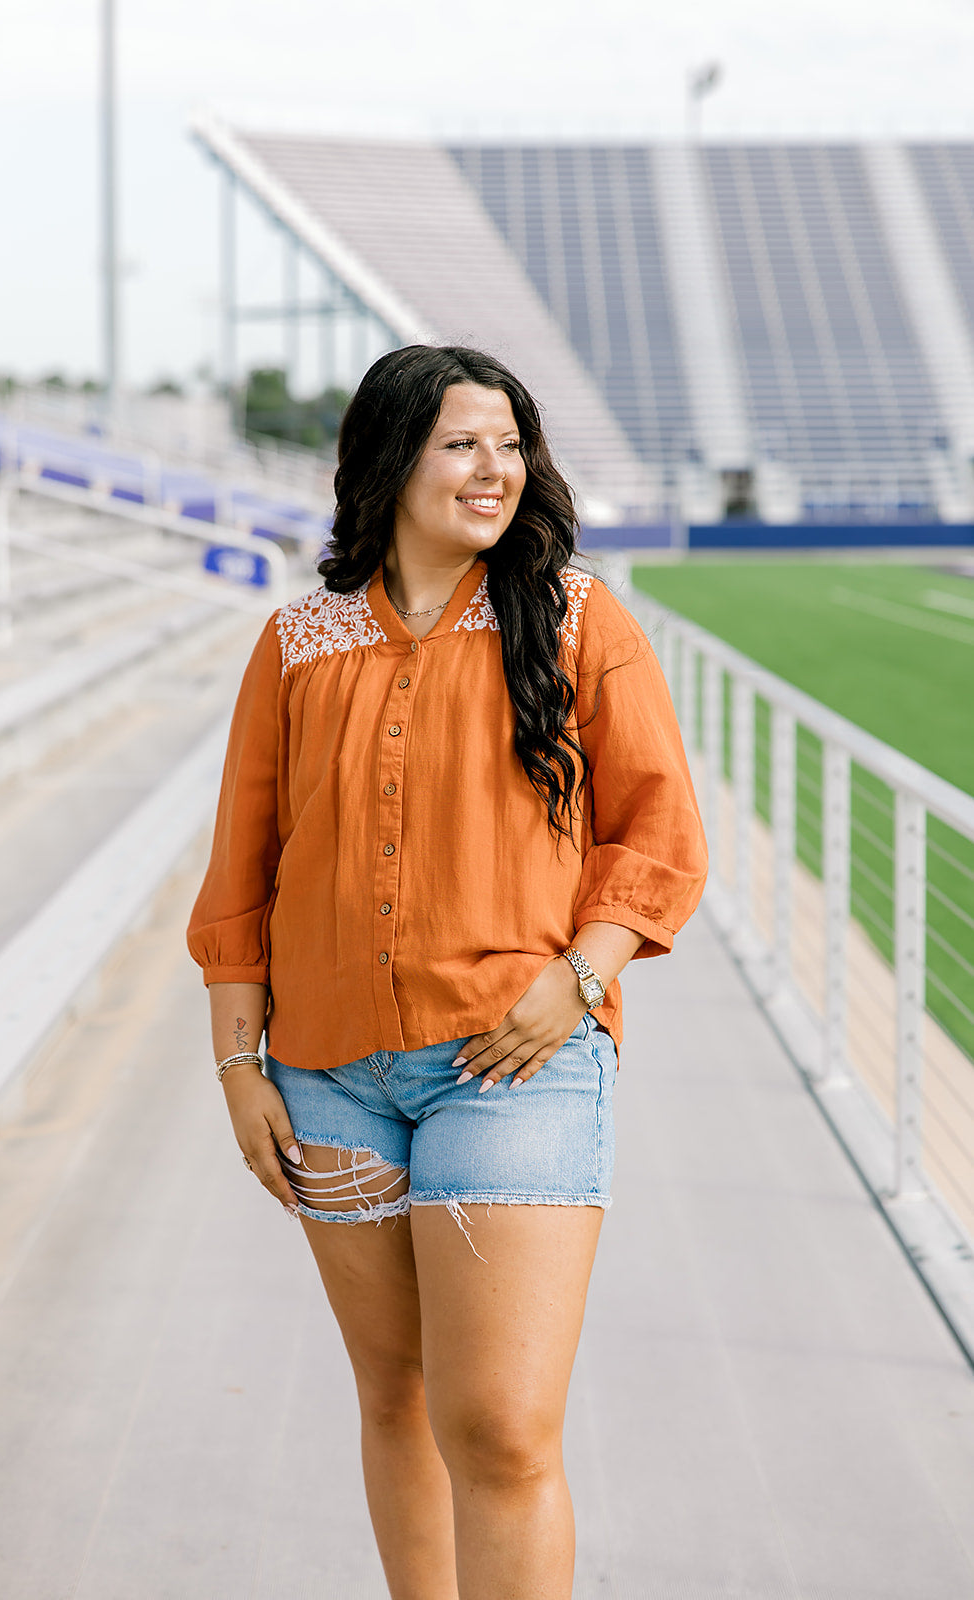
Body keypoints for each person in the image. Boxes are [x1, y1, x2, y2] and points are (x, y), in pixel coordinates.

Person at [187, 345, 708, 1600]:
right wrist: (235, 1066)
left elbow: (661, 834)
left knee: (503, 1426)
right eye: (462, 443)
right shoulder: (298, 640)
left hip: (514, 1062)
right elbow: (242, 870)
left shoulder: (580, 616)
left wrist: (575, 978)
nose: (495, 470)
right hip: (327, 1080)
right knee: (396, 1395)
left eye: (510, 444)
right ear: (386, 459)